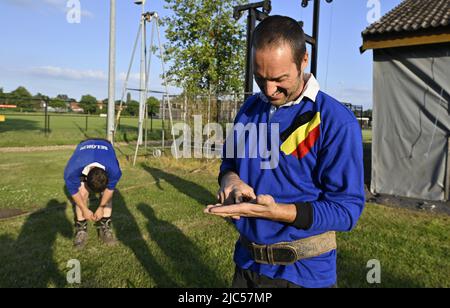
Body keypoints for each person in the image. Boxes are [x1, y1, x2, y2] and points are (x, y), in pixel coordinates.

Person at [205, 15, 365, 288]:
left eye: (279, 79)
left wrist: (279, 212)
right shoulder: (249, 110)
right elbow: (229, 163)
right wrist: (230, 180)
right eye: (259, 77)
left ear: (304, 60)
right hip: (246, 266)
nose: (269, 90)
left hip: (304, 275)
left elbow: (347, 210)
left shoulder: (335, 120)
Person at [64, 138, 122, 249]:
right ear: (86, 178)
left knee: (107, 196)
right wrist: (84, 209)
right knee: (82, 193)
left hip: (105, 146)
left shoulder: (114, 170)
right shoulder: (72, 170)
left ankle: (105, 227)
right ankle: (81, 229)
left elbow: (109, 190)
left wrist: (101, 206)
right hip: (85, 148)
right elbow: (74, 192)